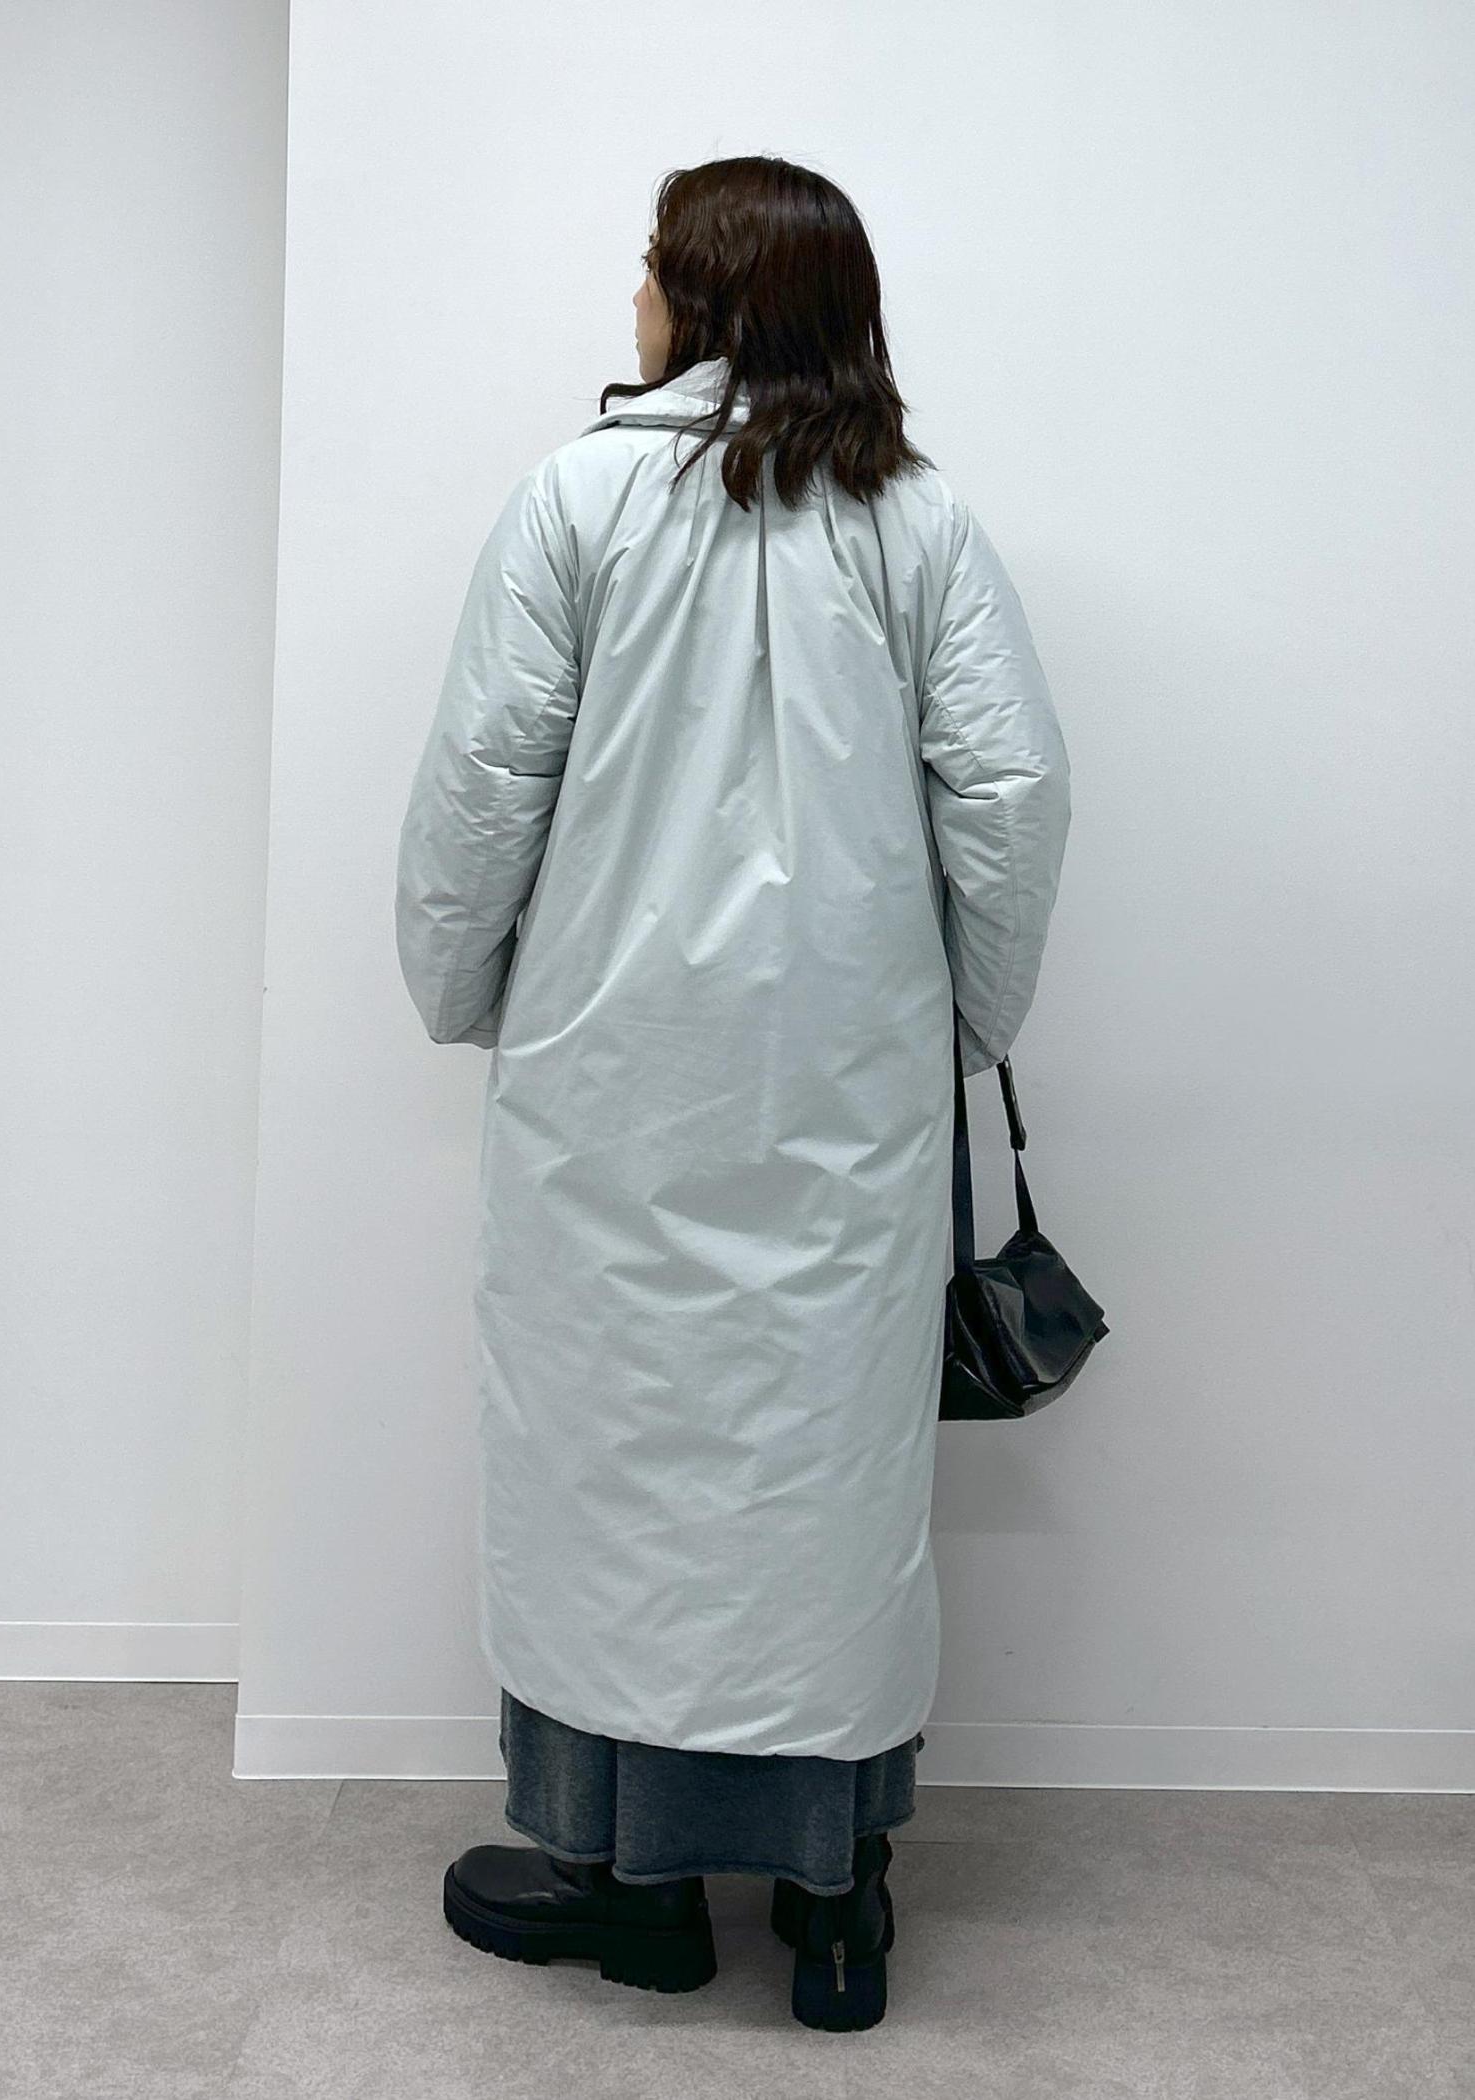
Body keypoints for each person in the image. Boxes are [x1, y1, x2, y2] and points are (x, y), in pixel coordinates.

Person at [394, 154, 1071, 2032]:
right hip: (847, 1095)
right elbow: (1011, 800)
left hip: (613, 1086)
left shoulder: (577, 500)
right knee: (819, 1485)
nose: (631, 300)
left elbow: (482, 789)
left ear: (704, 297)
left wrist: (461, 992)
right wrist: (963, 1025)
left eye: (650, 269)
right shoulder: (920, 524)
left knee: (611, 1475)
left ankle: (634, 1887)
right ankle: (838, 1905)